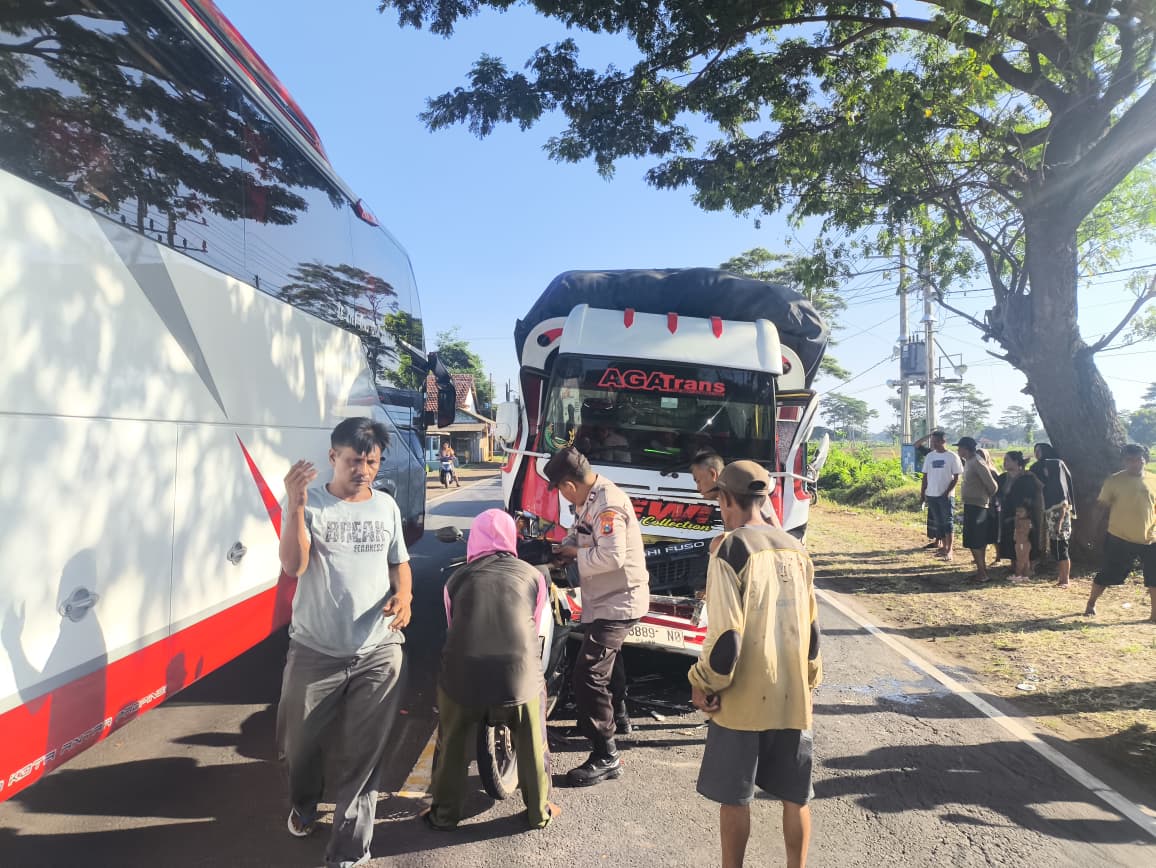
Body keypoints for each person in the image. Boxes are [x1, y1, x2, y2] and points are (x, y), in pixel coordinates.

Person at [276, 417, 412, 868]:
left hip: (377, 649)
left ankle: (350, 851)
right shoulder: (310, 504)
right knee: (298, 745)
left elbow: (400, 562)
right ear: (333, 457)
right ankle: (305, 802)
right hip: (315, 652)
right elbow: (294, 566)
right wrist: (294, 506)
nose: (364, 470)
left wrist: (405, 594)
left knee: (364, 755)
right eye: (355, 461)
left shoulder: (387, 507)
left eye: (371, 462)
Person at [688, 461, 822, 868]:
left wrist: (702, 682)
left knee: (735, 798)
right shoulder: (797, 549)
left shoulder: (732, 548)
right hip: (794, 696)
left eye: (719, 502)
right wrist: (808, 683)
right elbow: (813, 634)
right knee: (795, 797)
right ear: (763, 500)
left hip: (744, 701)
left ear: (727, 498)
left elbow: (727, 638)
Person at [424, 509, 560, 830]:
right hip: (519, 678)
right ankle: (539, 812)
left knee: (451, 742)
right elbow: (534, 621)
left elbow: (452, 625)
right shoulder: (533, 576)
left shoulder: (455, 580)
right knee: (534, 740)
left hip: (464, 680)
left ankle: (443, 815)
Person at [546, 447, 649, 785]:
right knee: (606, 661)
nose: (562, 496)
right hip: (604, 597)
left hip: (619, 600)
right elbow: (581, 532)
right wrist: (566, 547)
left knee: (589, 672)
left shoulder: (608, 504)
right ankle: (618, 717)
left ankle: (606, 755)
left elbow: (612, 557)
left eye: (560, 489)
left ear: (568, 485)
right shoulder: (590, 498)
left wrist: (576, 554)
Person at [1084, 444, 1156, 622]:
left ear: (1144, 459)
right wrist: (1092, 532)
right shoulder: (1114, 481)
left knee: (1154, 577)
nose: (1134, 463)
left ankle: (1154, 615)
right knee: (1109, 574)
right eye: (1130, 460)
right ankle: (1091, 602)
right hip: (1119, 536)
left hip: (1150, 537)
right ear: (1124, 461)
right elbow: (1100, 508)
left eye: (1138, 459)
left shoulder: (1153, 479)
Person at [1031, 442, 1077, 589]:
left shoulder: (1055, 465)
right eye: (1035, 451)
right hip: (1052, 514)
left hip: (1059, 515)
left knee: (1061, 548)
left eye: (1039, 450)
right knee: (1057, 548)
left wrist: (1059, 522)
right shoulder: (1046, 467)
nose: (1036, 454)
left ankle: (1065, 580)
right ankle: (1061, 578)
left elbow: (1063, 499)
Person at [996, 451, 1044, 581]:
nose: (1005, 462)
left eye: (1008, 460)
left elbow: (1033, 496)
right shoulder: (1002, 478)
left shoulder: (1028, 478)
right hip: (1007, 513)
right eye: (1004, 460)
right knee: (1010, 539)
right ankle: (1014, 566)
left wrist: (1025, 510)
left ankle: (1027, 568)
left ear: (1017, 462)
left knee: (1026, 539)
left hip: (1025, 514)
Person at [956, 437, 999, 582]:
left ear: (966, 449)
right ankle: (981, 571)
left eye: (960, 447)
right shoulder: (969, 462)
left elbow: (992, 486)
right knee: (972, 540)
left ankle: (982, 573)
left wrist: (984, 497)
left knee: (976, 540)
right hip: (971, 504)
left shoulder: (978, 462)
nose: (958, 450)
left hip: (978, 506)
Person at [919, 430, 963, 560]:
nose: (934, 444)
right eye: (932, 442)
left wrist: (948, 492)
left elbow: (956, 477)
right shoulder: (930, 456)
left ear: (944, 441)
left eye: (937, 441)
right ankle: (943, 547)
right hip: (931, 495)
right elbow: (925, 476)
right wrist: (923, 493)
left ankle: (950, 550)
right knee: (938, 522)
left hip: (946, 496)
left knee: (947, 522)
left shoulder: (952, 456)